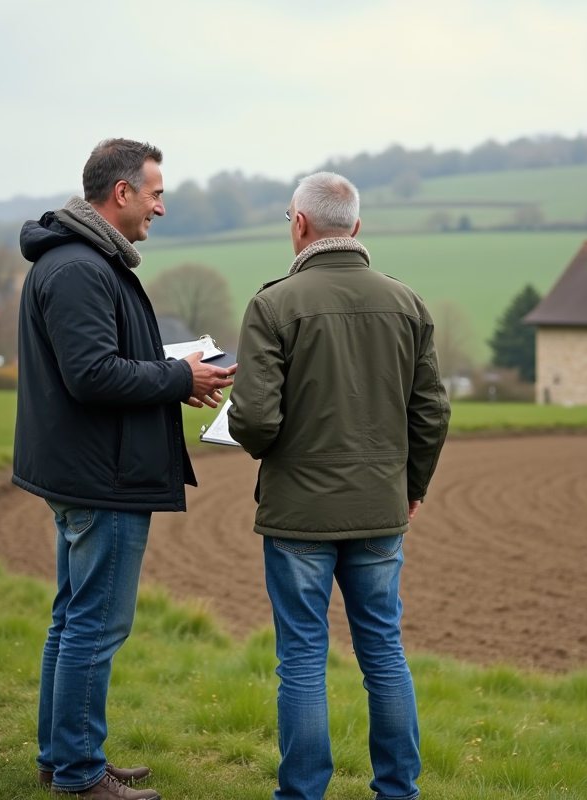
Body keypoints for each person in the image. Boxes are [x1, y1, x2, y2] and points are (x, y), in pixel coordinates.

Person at [14, 138, 236, 800]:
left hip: (86, 469)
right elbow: (92, 374)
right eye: (156, 193)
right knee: (95, 623)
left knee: (72, 617)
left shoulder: (79, 260)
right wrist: (178, 374)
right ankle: (81, 776)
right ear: (121, 193)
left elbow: (105, 361)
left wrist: (178, 381)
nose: (161, 208)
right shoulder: (81, 268)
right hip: (100, 477)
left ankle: (65, 756)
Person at [228, 171, 451, 800]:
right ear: (355, 227)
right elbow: (432, 411)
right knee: (384, 652)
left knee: (302, 659)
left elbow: (253, 417)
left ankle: (301, 795)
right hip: (381, 510)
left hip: (298, 514)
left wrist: (265, 448)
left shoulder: (273, 305)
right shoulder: (408, 304)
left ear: (299, 225)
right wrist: (412, 486)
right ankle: (397, 792)